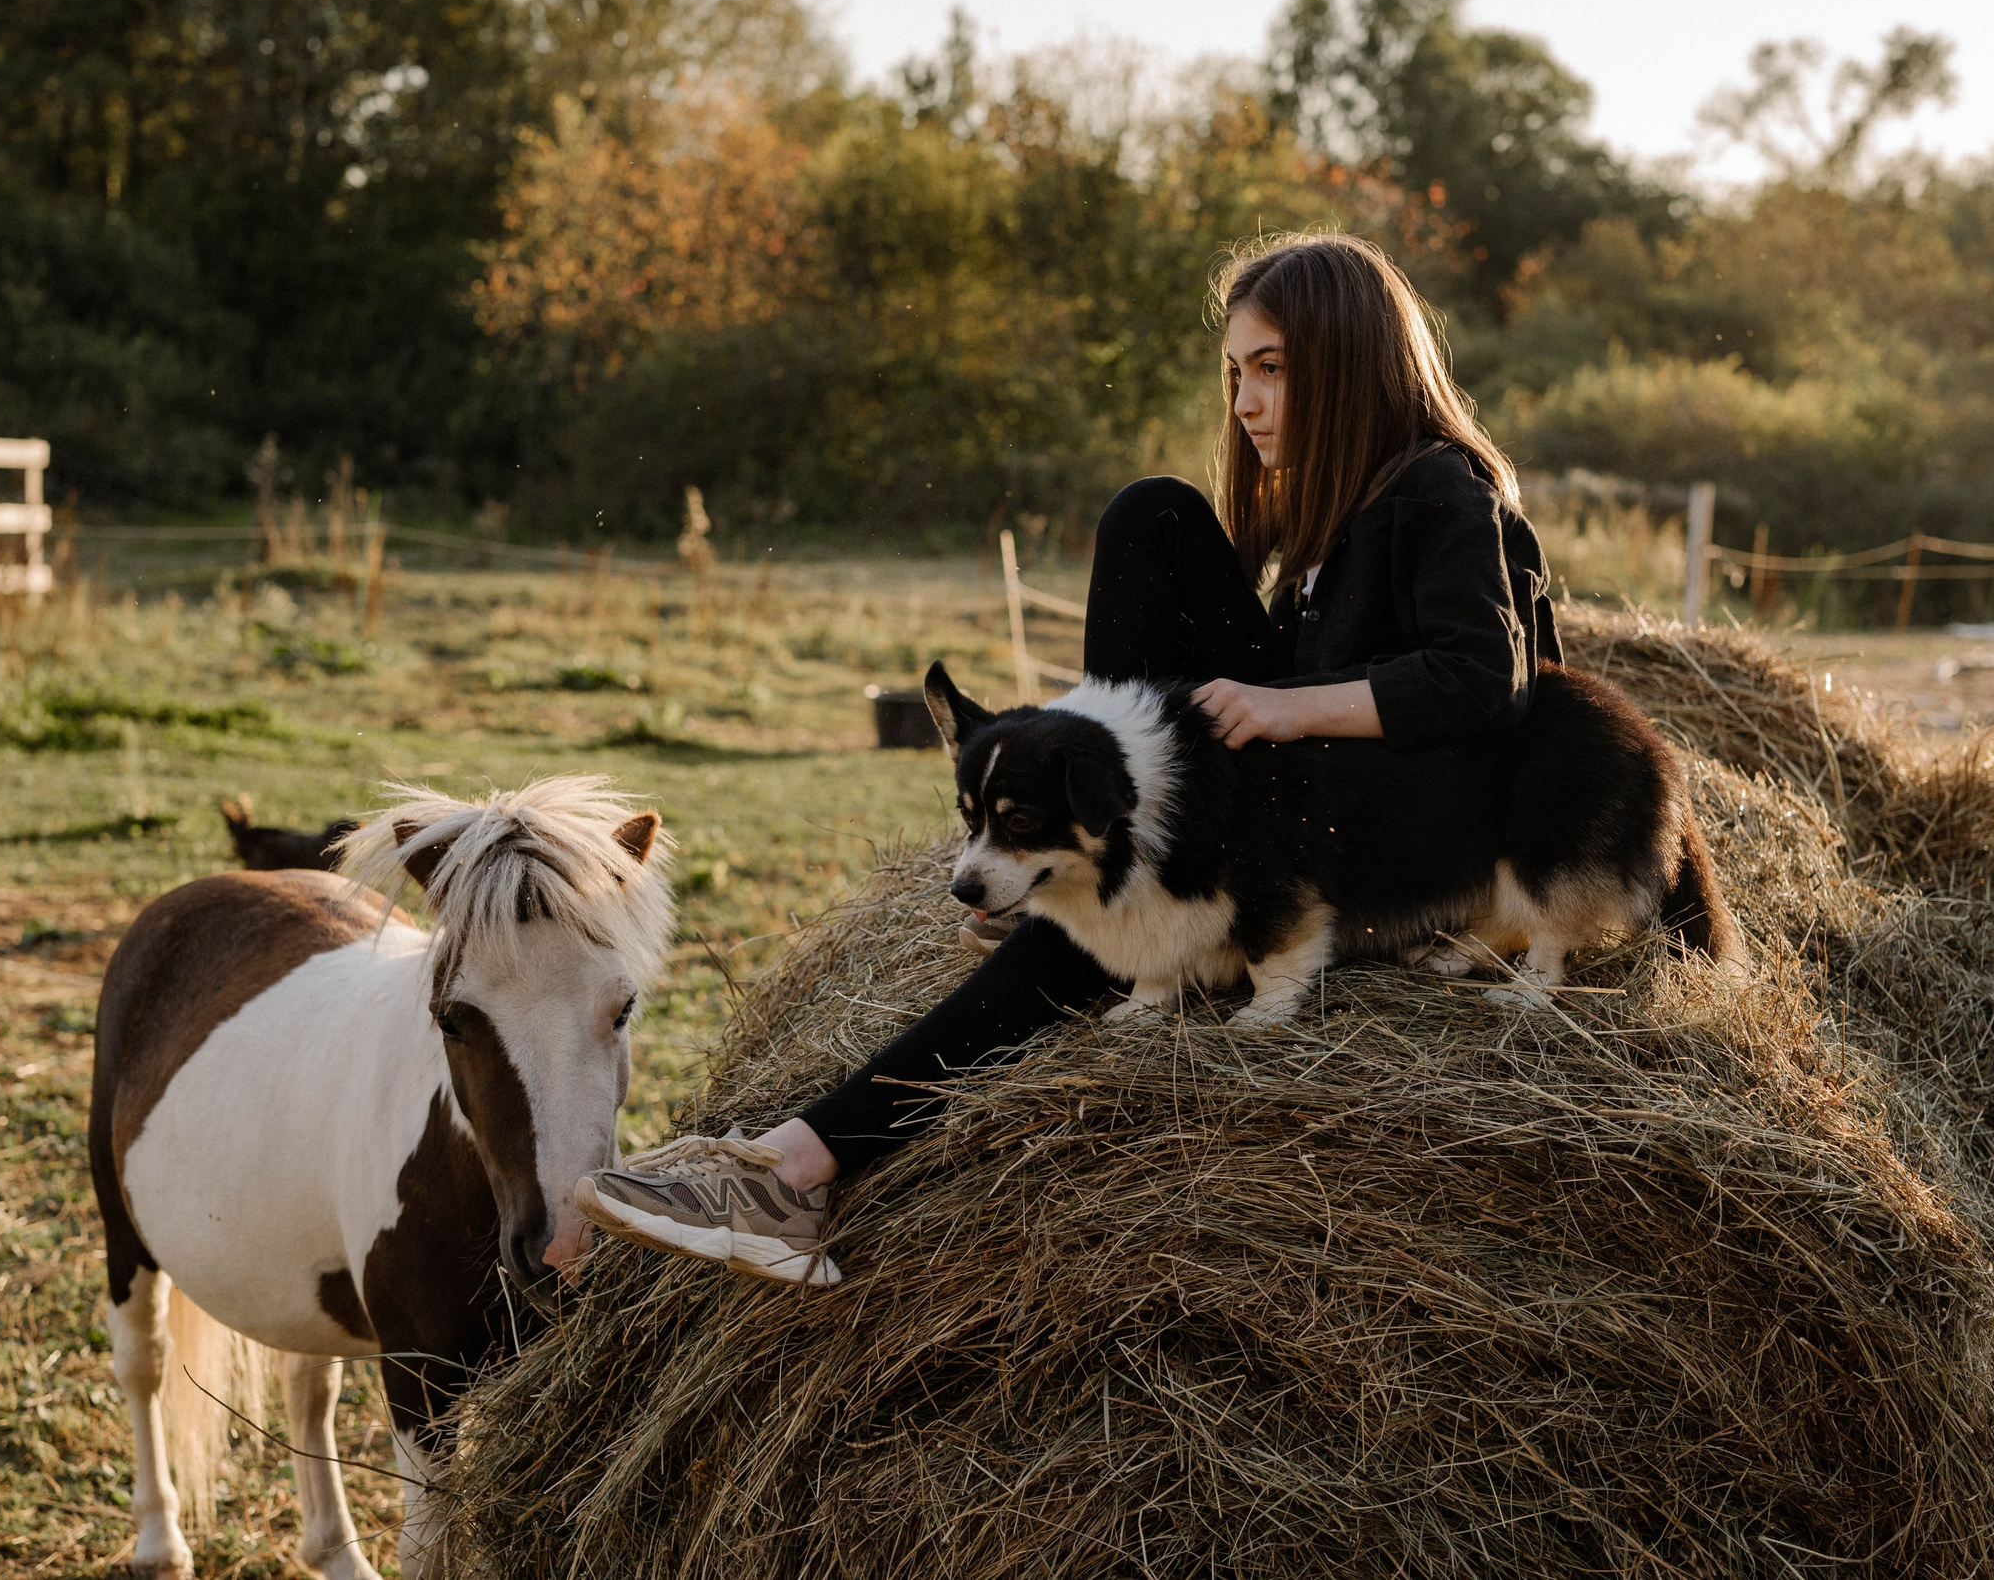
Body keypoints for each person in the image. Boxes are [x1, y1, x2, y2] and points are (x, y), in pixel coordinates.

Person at [568, 231, 1561, 1285]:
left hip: (1388, 852)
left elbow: (1485, 680)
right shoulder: (1332, 522)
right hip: (1310, 808)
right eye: (1234, 374)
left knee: (1151, 531)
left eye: (1271, 367)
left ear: (1354, 360)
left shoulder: (1440, 488)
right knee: (1156, 515)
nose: (1245, 401)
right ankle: (1067, 840)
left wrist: (1285, 708)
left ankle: (801, 1163)